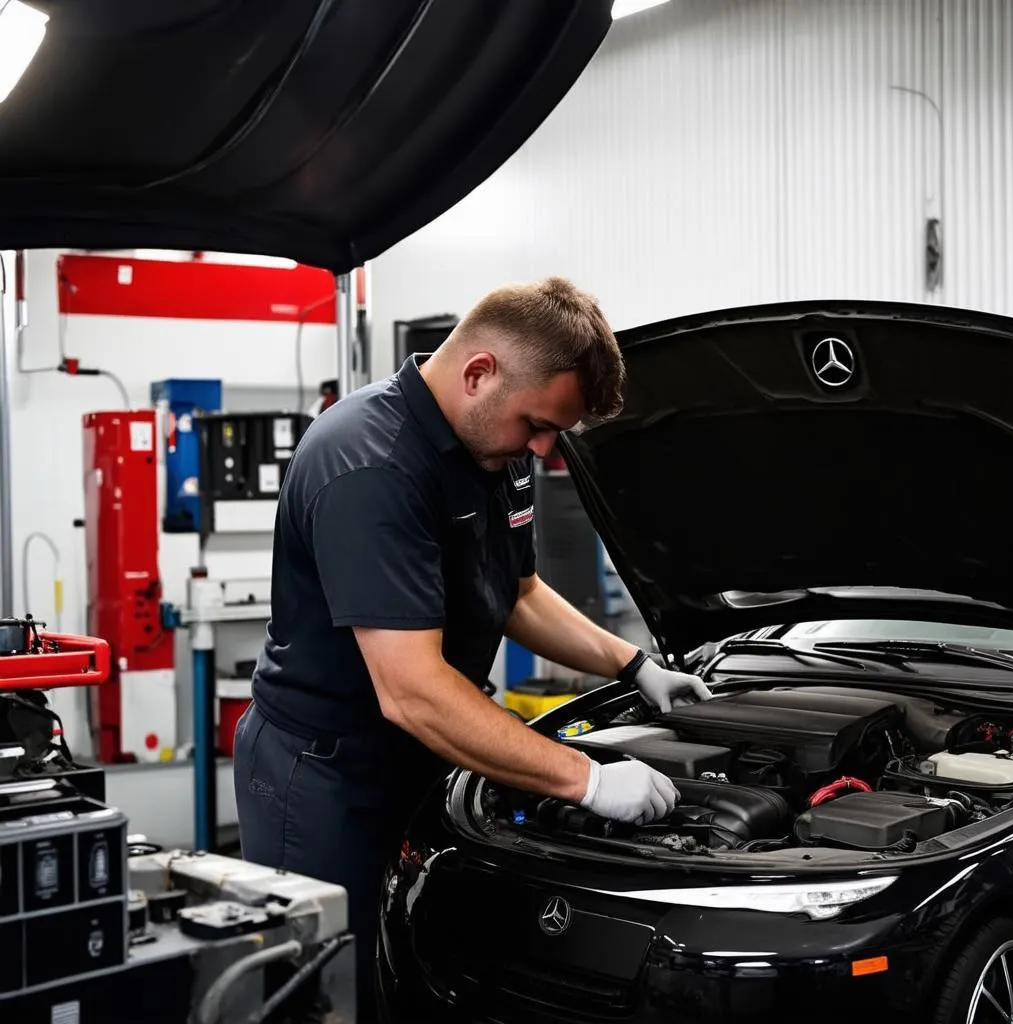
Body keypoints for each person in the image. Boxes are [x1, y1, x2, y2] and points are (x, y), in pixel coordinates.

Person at [233, 276, 711, 1019]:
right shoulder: (370, 465)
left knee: (428, 973)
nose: (546, 451)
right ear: (479, 373)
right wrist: (584, 778)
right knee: (331, 995)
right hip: (326, 776)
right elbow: (412, 690)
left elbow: (517, 594)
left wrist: (633, 663)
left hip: (427, 754)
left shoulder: (496, 445)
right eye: (538, 426)